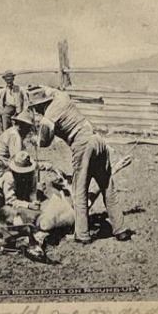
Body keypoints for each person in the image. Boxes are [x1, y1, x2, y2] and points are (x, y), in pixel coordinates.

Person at [27, 87, 128, 245]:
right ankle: (120, 230)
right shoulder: (62, 98)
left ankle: (82, 234)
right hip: (98, 140)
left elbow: (45, 142)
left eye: (35, 108)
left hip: (82, 143)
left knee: (79, 189)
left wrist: (36, 139)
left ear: (40, 105)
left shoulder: (49, 114)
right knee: (107, 186)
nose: (36, 112)